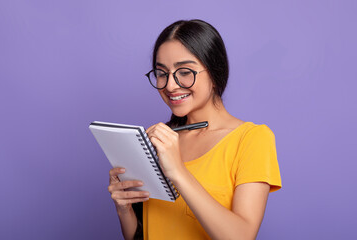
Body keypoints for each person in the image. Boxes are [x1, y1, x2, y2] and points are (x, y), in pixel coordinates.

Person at [108, 19, 282, 240]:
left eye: (184, 72)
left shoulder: (252, 139)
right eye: (162, 73)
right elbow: (143, 234)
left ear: (215, 72)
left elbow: (242, 236)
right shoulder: (160, 141)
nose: (170, 85)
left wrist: (178, 172)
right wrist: (124, 209)